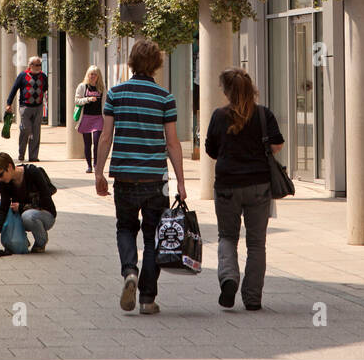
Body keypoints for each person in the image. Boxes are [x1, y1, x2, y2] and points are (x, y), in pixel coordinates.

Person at [95, 39, 185, 314]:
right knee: (152, 238)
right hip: (155, 180)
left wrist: (98, 172)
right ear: (157, 64)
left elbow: (106, 136)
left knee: (125, 228)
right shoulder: (164, 97)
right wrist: (181, 181)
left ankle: (129, 272)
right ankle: (147, 299)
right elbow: (172, 143)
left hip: (124, 176)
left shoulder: (115, 94)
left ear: (132, 62)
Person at [205, 69, 283, 311]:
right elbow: (277, 143)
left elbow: (210, 149)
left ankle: (229, 279)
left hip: (227, 184)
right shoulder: (263, 114)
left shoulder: (219, 116)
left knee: (227, 236)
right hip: (259, 185)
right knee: (257, 243)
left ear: (228, 92)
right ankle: (252, 298)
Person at [0, 153, 56, 252]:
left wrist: (22, 207)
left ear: (9, 167)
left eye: (0, 175)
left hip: (44, 214)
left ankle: (41, 242)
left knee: (28, 216)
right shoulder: (4, 183)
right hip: (21, 214)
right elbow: (3, 208)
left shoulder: (33, 172)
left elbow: (45, 200)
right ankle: (21, 238)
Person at [7, 56, 47, 163]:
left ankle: (33, 156)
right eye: (37, 65)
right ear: (30, 65)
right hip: (25, 106)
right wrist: (8, 103)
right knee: (25, 129)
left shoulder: (43, 76)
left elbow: (45, 88)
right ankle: (21, 153)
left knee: (36, 131)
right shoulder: (23, 76)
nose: (39, 67)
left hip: (38, 107)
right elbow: (14, 89)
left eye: (40, 65)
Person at [74, 65, 105, 173]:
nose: (92, 76)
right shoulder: (82, 86)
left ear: (98, 76)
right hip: (86, 117)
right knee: (87, 143)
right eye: (91, 74)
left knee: (97, 142)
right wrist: (88, 99)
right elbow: (77, 101)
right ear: (88, 75)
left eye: (95, 74)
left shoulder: (101, 88)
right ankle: (89, 165)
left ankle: (96, 164)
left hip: (98, 118)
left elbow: (104, 103)